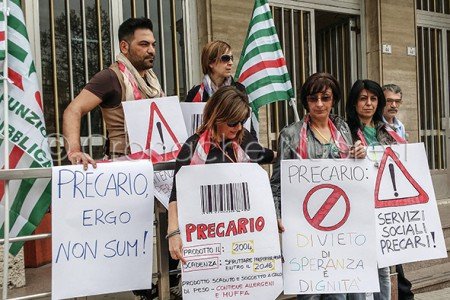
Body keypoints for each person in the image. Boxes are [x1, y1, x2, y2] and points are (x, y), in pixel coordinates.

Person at [270, 72, 365, 300]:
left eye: (326, 97)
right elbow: (277, 182)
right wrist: (277, 215)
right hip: (305, 228)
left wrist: (361, 154)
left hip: (340, 227)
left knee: (339, 292)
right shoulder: (290, 135)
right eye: (313, 99)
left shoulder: (343, 129)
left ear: (334, 100)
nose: (319, 104)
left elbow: (355, 174)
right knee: (310, 292)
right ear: (306, 102)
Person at [167, 86, 275, 262]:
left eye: (242, 121)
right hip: (207, 237)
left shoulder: (243, 138)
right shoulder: (193, 147)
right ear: (217, 117)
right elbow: (175, 193)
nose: (238, 127)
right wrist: (173, 233)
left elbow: (262, 154)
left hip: (242, 234)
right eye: (233, 122)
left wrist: (289, 155)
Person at [63, 17, 164, 169]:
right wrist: (74, 152)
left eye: (153, 44)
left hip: (157, 164)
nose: (151, 50)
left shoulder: (152, 81)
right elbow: (73, 110)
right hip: (124, 169)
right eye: (144, 44)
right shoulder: (110, 77)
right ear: (124, 47)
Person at [346, 79, 406, 300]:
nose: (368, 104)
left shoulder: (387, 131)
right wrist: (350, 155)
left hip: (383, 208)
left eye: (373, 99)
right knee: (360, 264)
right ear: (354, 103)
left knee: (383, 266)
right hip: (356, 209)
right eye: (363, 99)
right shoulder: (344, 131)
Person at [185, 40, 258, 138]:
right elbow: (187, 129)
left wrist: (255, 151)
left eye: (231, 58)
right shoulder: (195, 94)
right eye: (225, 58)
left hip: (234, 148)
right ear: (211, 63)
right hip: (205, 149)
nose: (231, 63)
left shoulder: (238, 89)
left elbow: (248, 126)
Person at [382, 84, 414, 300]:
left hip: (398, 194)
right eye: (389, 101)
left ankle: (403, 290)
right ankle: (404, 291)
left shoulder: (400, 126)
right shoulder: (378, 127)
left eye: (397, 101)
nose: (393, 105)